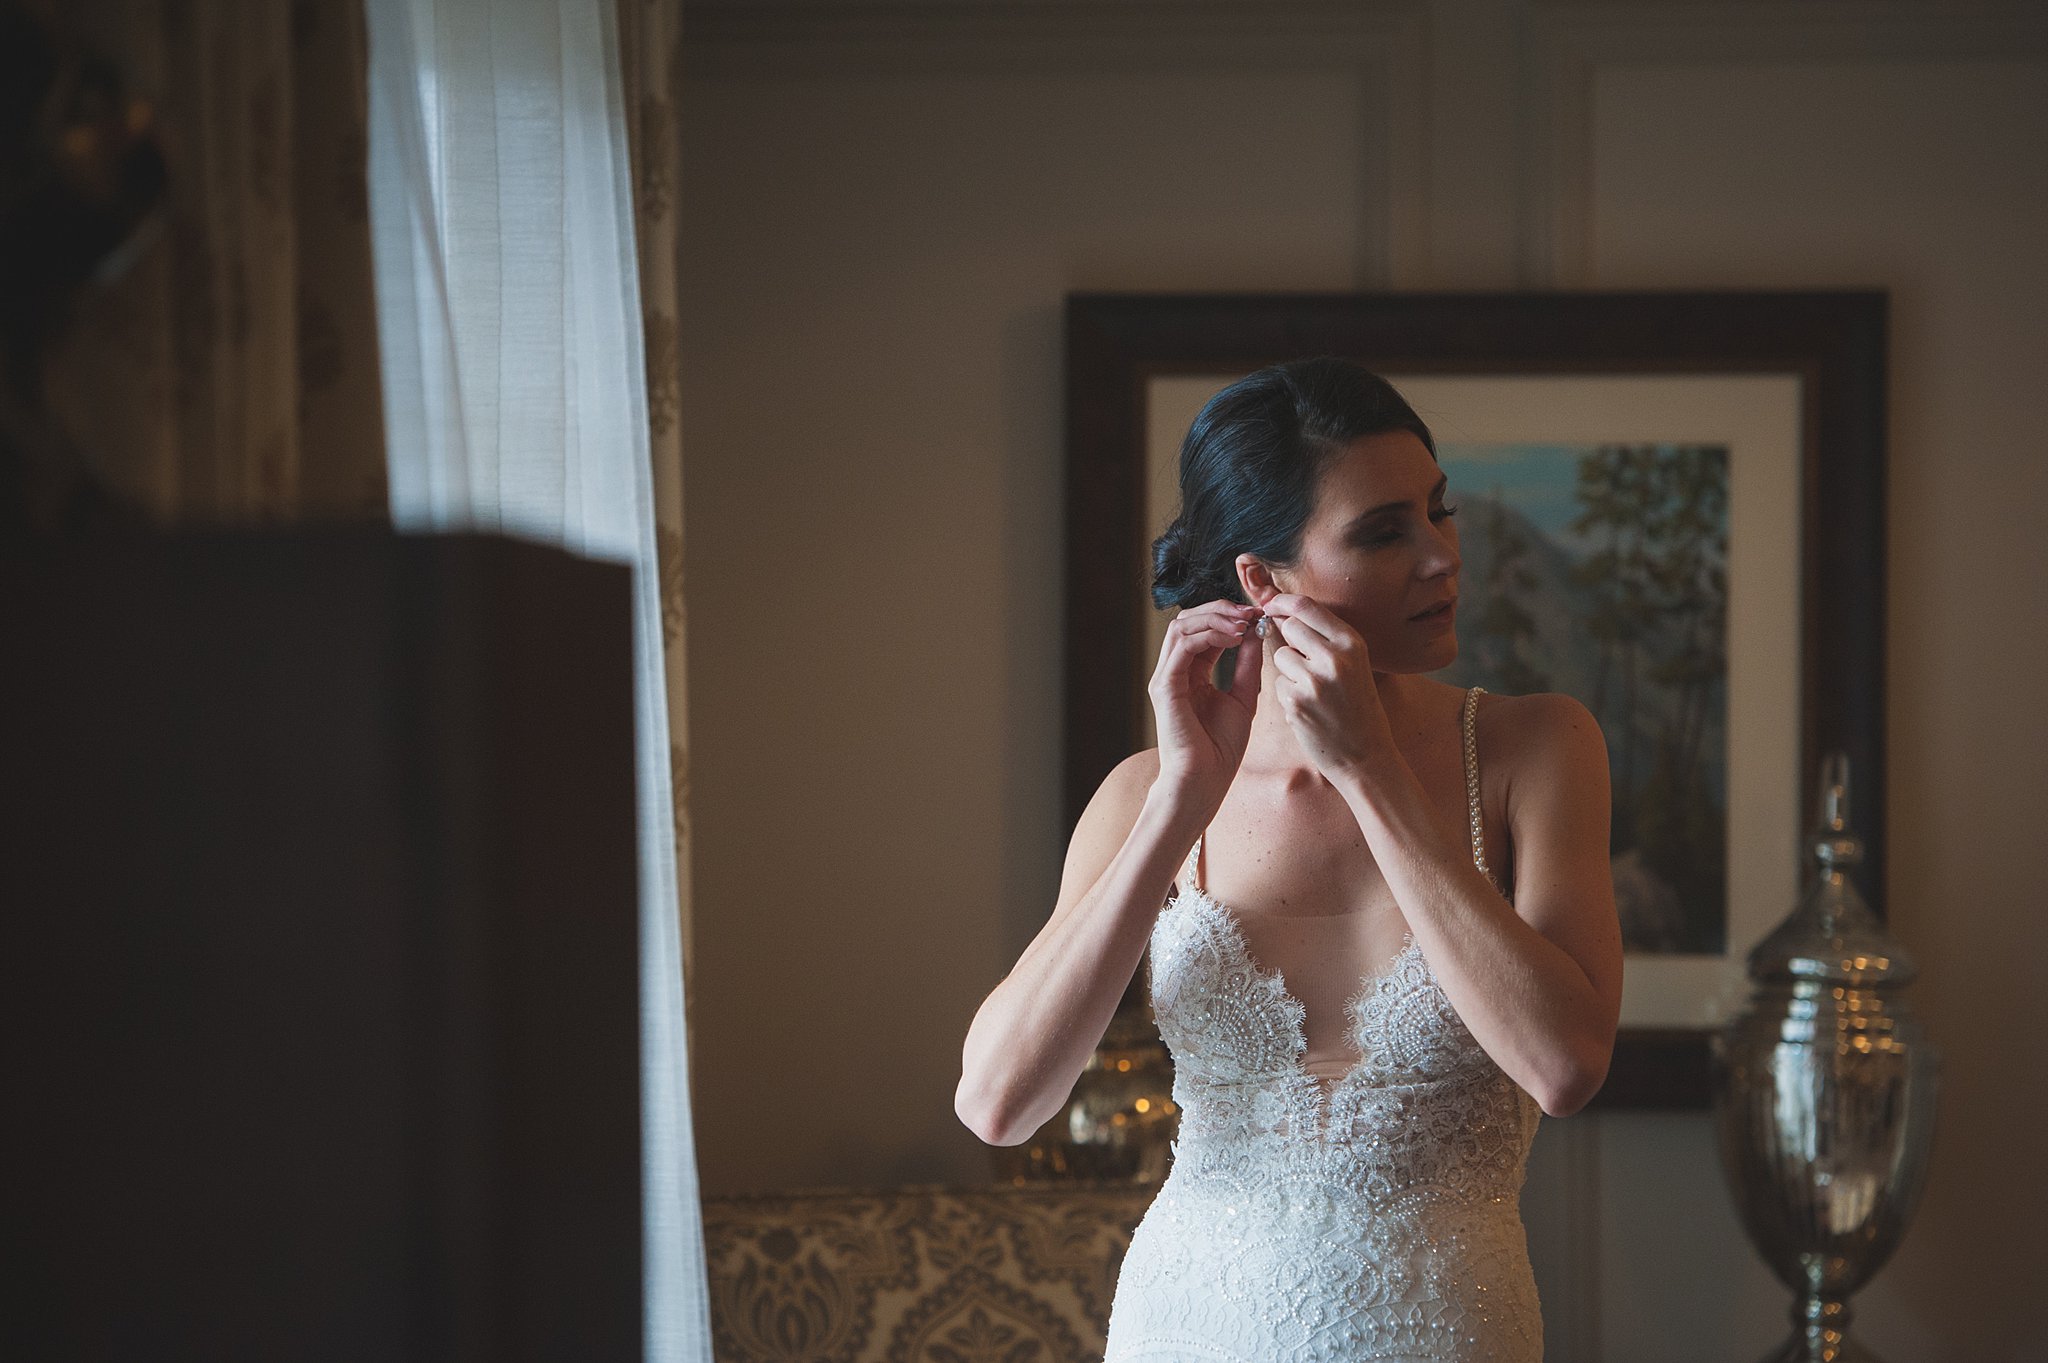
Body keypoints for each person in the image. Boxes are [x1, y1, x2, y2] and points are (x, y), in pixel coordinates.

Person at [954, 357, 1622, 1361]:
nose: (1439, 556)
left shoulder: (1535, 749)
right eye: (1382, 532)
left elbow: (1564, 1065)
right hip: (1189, 1326)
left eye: (1437, 513)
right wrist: (1180, 797)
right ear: (1261, 582)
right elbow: (998, 1102)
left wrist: (1370, 773)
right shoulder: (1145, 795)